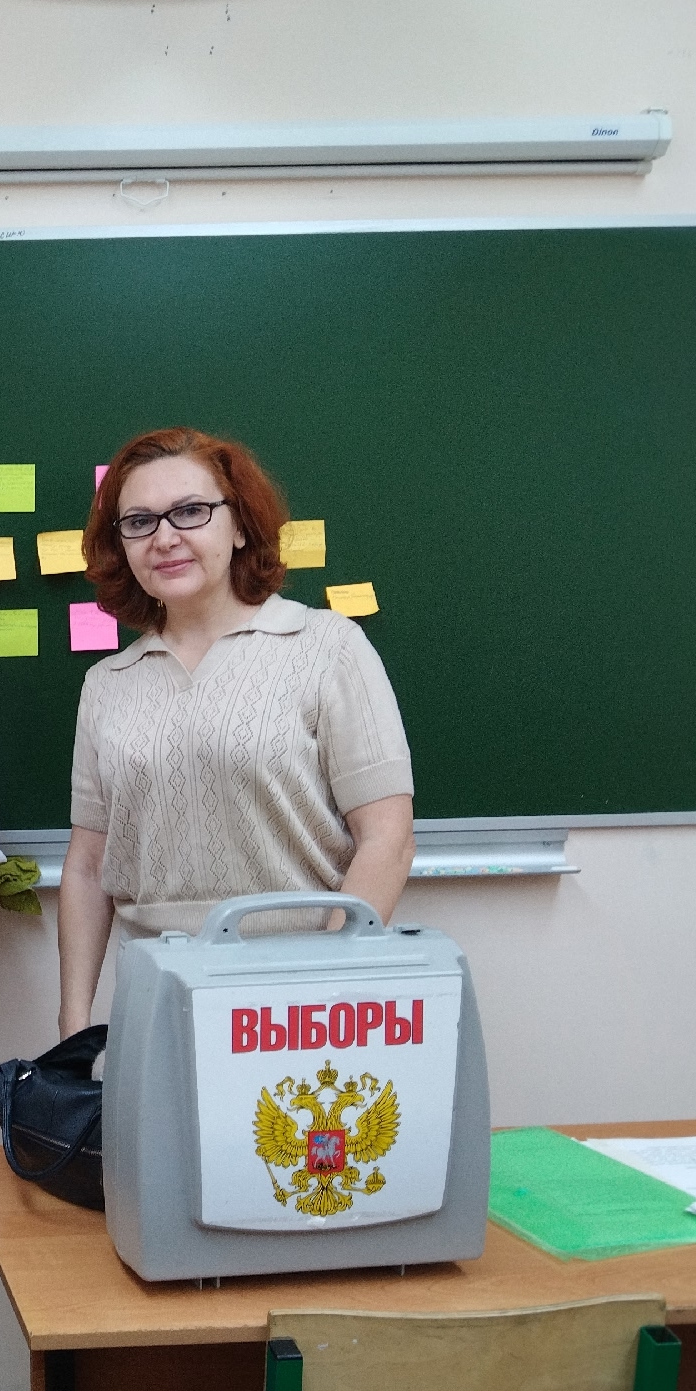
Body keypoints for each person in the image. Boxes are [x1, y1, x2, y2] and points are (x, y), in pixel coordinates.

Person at [58, 425, 416, 1037]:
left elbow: (388, 838)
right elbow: (89, 867)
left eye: (190, 512)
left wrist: (322, 987)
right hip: (156, 997)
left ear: (240, 526)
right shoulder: (107, 685)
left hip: (302, 999)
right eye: (139, 522)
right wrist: (73, 1025)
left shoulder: (326, 648)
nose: (164, 538)